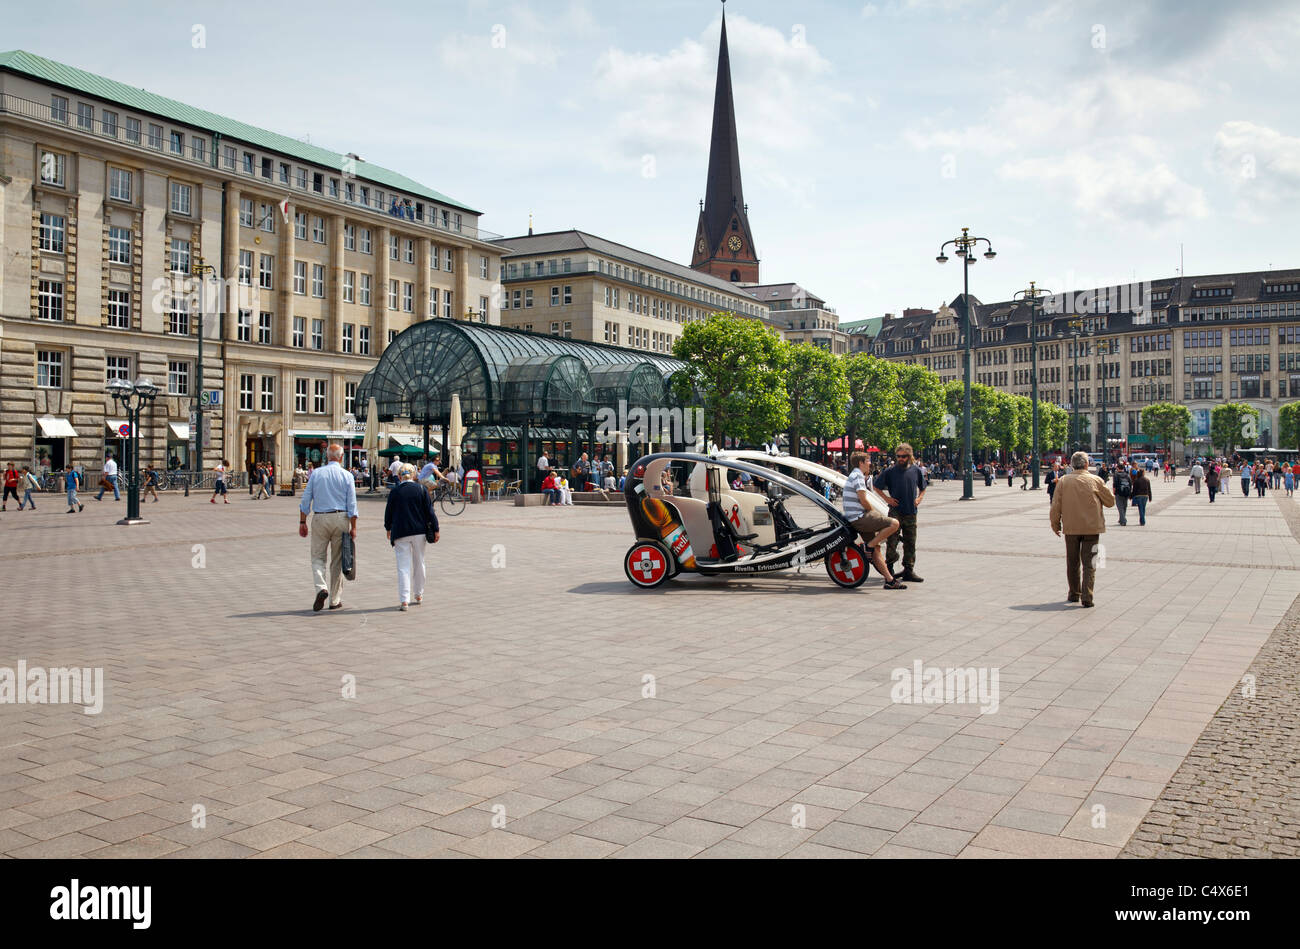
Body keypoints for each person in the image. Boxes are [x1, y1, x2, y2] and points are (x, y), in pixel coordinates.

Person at [1049, 451, 1115, 608]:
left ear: (1072, 464)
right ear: (1087, 464)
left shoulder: (1064, 481)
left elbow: (1055, 504)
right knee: (1090, 563)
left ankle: (1074, 593)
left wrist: (1055, 524)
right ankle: (1087, 596)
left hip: (1071, 528)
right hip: (1092, 529)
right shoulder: (1095, 480)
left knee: (1072, 562)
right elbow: (1110, 502)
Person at [298, 444, 358, 612]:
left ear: (327, 457)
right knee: (337, 560)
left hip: (320, 517)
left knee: (317, 557)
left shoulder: (316, 474)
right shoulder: (347, 475)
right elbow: (352, 504)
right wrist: (353, 526)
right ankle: (334, 599)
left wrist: (302, 522)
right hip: (341, 517)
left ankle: (321, 588)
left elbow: (305, 500)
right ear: (341, 457)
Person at [843, 451, 906, 589]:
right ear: (861, 463)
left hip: (856, 518)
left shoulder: (854, 475)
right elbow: (863, 499)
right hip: (860, 517)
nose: (870, 463)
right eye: (868, 460)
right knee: (894, 523)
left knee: (876, 550)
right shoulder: (858, 476)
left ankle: (889, 580)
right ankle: (868, 546)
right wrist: (873, 511)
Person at [385, 464, 439, 612]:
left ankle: (404, 600)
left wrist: (388, 527)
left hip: (400, 531)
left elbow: (388, 511)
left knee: (403, 566)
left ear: (400, 476)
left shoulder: (395, 491)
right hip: (419, 531)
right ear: (414, 475)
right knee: (419, 562)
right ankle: (419, 594)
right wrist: (436, 528)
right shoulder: (421, 489)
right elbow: (429, 511)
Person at [874, 443, 926, 584]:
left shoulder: (916, 470)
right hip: (895, 512)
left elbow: (923, 487)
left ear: (909, 456)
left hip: (911, 511)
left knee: (910, 541)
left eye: (904, 456)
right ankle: (889, 568)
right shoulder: (890, 471)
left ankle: (908, 570)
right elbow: (876, 486)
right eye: (898, 456)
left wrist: (920, 498)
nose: (901, 459)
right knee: (892, 540)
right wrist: (887, 499)